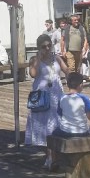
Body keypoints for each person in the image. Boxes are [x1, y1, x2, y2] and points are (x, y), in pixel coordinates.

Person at [25, 32, 67, 170]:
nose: (47, 49)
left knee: (55, 127)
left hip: (56, 95)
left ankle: (53, 158)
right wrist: (38, 58)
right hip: (42, 96)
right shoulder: (34, 59)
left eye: (49, 45)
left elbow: (68, 71)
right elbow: (33, 74)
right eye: (44, 47)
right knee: (43, 128)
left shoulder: (57, 58)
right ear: (39, 47)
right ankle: (49, 157)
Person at [57, 71, 90, 136]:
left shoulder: (62, 98)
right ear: (81, 85)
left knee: (54, 131)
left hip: (65, 131)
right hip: (81, 132)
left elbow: (60, 114)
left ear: (67, 85)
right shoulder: (85, 99)